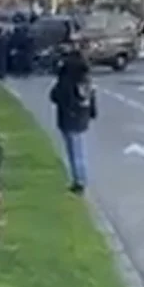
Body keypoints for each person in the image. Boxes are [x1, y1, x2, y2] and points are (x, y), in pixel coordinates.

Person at [49, 50, 98, 194]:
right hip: (82, 116)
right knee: (79, 149)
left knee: (74, 151)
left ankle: (79, 181)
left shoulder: (66, 79)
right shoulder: (86, 79)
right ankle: (80, 178)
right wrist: (92, 112)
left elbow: (55, 96)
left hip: (68, 117)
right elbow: (92, 97)